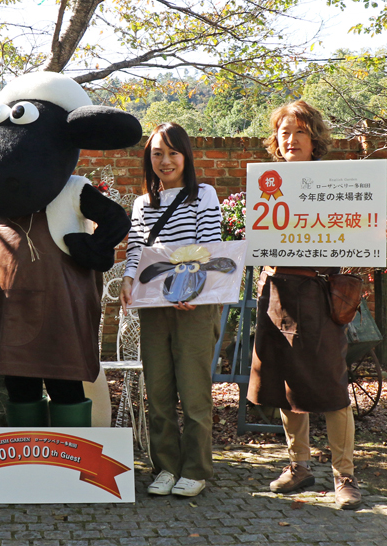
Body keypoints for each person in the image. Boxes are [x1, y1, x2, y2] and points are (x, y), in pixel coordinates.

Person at [248, 100, 362, 510]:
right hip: (277, 292)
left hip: (320, 295)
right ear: (276, 142)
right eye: (284, 132)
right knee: (285, 382)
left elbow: (358, 235)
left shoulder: (336, 183)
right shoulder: (266, 184)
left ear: (314, 139)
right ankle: (299, 465)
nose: (291, 139)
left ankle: (344, 475)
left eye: (299, 132)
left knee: (331, 386)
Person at [119, 123, 223, 498]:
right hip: (154, 303)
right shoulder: (143, 203)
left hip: (194, 305)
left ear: (186, 156)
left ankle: (195, 470)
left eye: (172, 153)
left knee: (194, 393)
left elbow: (210, 247)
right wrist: (129, 281)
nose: (165, 161)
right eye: (157, 154)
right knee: (158, 391)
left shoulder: (203, 195)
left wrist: (194, 289)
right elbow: (136, 253)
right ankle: (165, 467)